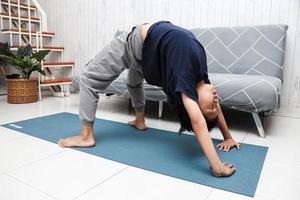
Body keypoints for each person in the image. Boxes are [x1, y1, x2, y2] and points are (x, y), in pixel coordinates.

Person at [58, 21, 240, 177]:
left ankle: (86, 136)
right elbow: (212, 110)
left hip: (134, 45)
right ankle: (140, 119)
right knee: (134, 81)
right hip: (148, 56)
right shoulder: (199, 79)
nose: (216, 102)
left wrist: (217, 168)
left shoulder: (185, 77)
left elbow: (198, 121)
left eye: (210, 108)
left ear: (193, 102)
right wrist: (228, 136)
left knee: (88, 77)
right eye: (216, 105)